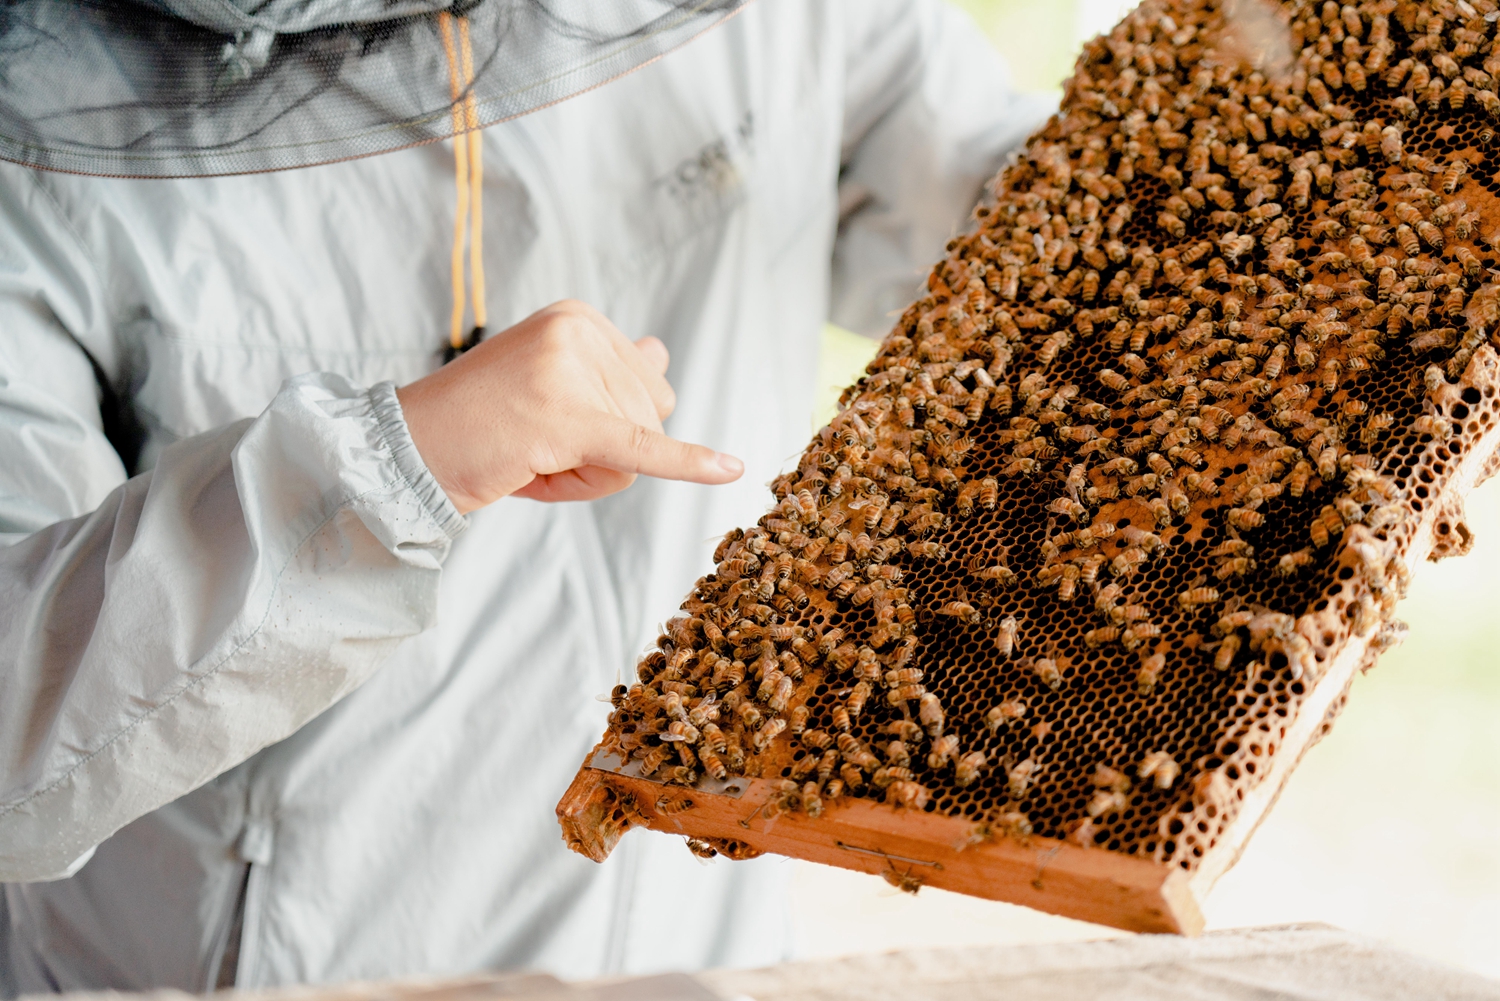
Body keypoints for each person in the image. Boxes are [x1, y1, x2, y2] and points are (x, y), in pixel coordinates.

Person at [0, 0, 1051, 992]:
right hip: (307, 974)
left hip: (703, 951)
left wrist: (1205, 120)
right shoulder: (31, 141)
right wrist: (394, 468)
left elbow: (993, 215)